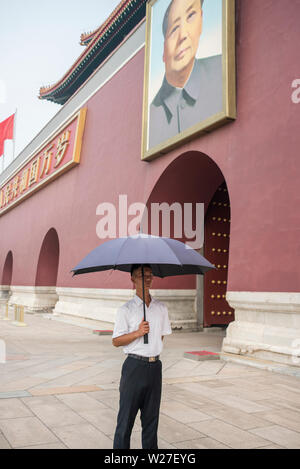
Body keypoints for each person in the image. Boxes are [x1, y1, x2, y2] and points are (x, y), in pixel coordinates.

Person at [112, 264, 172, 449]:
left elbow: (161, 335)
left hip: (155, 368)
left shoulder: (161, 308)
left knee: (151, 421)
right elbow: (116, 341)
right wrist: (138, 333)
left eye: (150, 275)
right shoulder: (126, 309)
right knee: (126, 421)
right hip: (134, 368)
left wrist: (152, 351)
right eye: (141, 275)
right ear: (132, 279)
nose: (147, 278)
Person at [149, 0, 223, 148]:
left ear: (201, 20)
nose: (183, 35)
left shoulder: (222, 70)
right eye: (174, 29)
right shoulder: (151, 117)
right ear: (163, 50)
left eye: (191, 16)